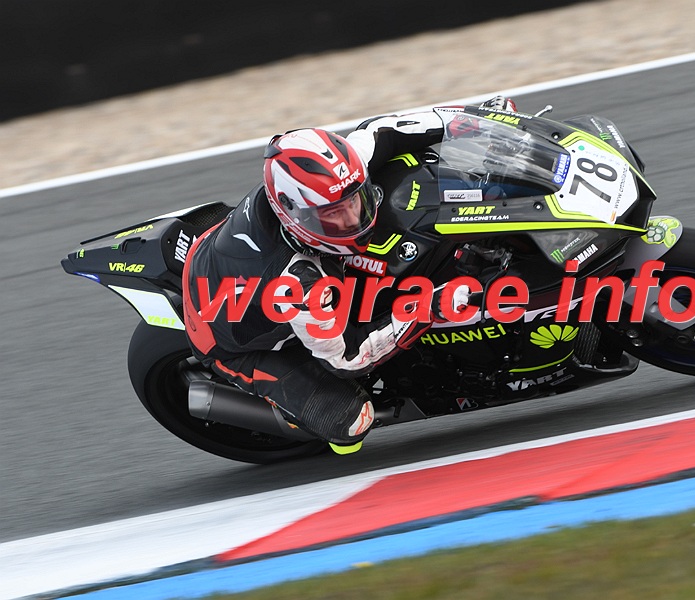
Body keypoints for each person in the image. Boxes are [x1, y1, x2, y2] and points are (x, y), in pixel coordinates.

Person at [181, 96, 517, 454]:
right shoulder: (296, 284)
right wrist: (430, 307)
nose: (352, 220)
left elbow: (380, 130)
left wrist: (476, 121)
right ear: (295, 215)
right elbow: (348, 358)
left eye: (354, 201)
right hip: (230, 340)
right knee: (351, 423)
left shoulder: (327, 185)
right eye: (333, 215)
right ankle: (297, 411)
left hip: (231, 258)